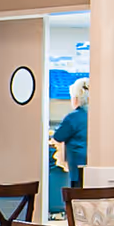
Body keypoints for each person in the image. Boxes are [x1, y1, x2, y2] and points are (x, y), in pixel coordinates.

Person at [48, 78, 89, 213]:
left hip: (77, 166)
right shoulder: (96, 115)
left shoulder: (74, 117)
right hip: (90, 167)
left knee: (77, 201)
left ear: (76, 98)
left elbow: (58, 136)